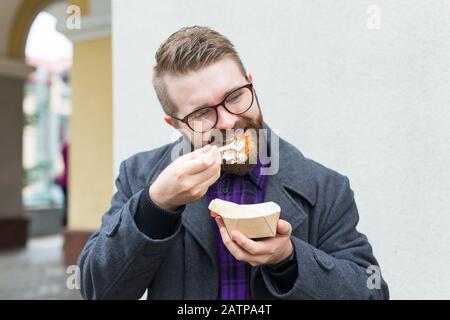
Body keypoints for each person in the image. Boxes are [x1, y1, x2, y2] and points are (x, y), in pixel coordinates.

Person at [78, 26, 389, 300]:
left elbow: (371, 293)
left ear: (251, 84)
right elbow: (98, 291)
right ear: (175, 125)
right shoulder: (139, 176)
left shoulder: (326, 187)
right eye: (202, 114)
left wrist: (289, 259)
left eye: (236, 96)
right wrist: (156, 204)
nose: (228, 121)